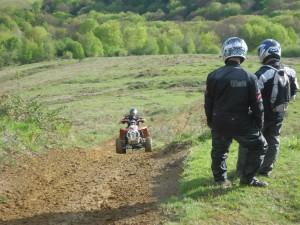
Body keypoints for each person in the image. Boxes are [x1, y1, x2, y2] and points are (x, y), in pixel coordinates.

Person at [204, 37, 268, 188]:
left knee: (219, 152)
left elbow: (208, 103)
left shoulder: (213, 76)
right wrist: (259, 124)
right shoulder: (250, 77)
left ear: (225, 52)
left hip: (219, 121)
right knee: (260, 146)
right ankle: (247, 179)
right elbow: (258, 104)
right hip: (243, 123)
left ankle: (220, 180)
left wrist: (210, 121)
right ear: (243, 53)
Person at [236, 39, 299, 177]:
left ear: (264, 53)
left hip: (261, 114)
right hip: (280, 113)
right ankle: (266, 169)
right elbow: (294, 91)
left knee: (249, 141)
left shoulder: (262, 73)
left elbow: (251, 95)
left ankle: (243, 169)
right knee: (273, 140)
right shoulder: (290, 71)